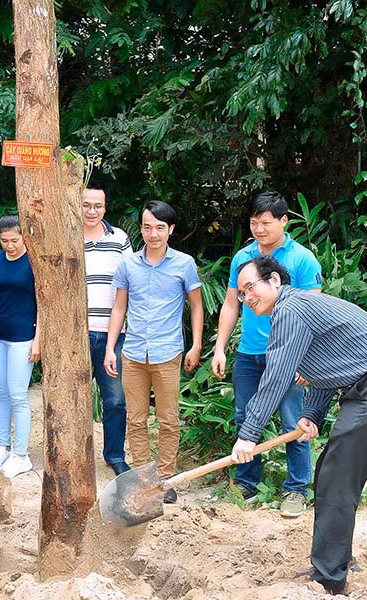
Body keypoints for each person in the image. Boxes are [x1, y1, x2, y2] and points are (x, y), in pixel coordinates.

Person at [230, 256, 367, 595]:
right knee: (333, 471)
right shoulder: (301, 309)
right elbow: (329, 367)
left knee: (336, 477)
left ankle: (329, 577)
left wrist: (249, 435)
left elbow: (277, 376)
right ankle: (335, 560)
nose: (247, 297)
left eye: (251, 287)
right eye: (241, 293)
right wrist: (311, 414)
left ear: (274, 281)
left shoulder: (290, 310)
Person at [210, 191, 322, 517]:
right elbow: (232, 304)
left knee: (294, 422)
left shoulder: (302, 259)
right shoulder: (242, 259)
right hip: (249, 353)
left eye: (266, 223)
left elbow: (313, 311)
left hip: (290, 355)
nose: (259, 229)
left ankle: (297, 489)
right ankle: (246, 483)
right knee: (246, 418)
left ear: (284, 221)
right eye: (254, 222)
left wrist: (308, 360)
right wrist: (220, 347)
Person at [104, 200, 203, 502]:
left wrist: (197, 345)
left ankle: (166, 478)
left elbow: (196, 306)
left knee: (168, 419)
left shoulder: (184, 264)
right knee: (135, 420)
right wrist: (110, 348)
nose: (153, 234)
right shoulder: (128, 264)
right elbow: (119, 307)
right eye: (147, 227)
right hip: (132, 352)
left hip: (168, 352)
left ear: (170, 229)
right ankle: (143, 480)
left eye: (160, 227)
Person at [0, 215, 40, 478]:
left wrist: (39, 339)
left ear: (24, 237)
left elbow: (44, 303)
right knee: (0, 392)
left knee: (18, 394)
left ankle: (21, 454)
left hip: (23, 336)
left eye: (14, 240)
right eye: (5, 241)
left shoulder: (34, 262)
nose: (9, 246)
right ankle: (3, 445)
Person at [82, 182, 133, 476]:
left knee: (115, 398)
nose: (92, 211)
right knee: (73, 399)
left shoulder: (120, 239)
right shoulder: (68, 236)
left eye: (97, 206)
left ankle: (114, 454)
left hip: (113, 333)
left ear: (105, 206)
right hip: (75, 333)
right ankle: (75, 454)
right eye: (86, 205)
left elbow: (130, 282)